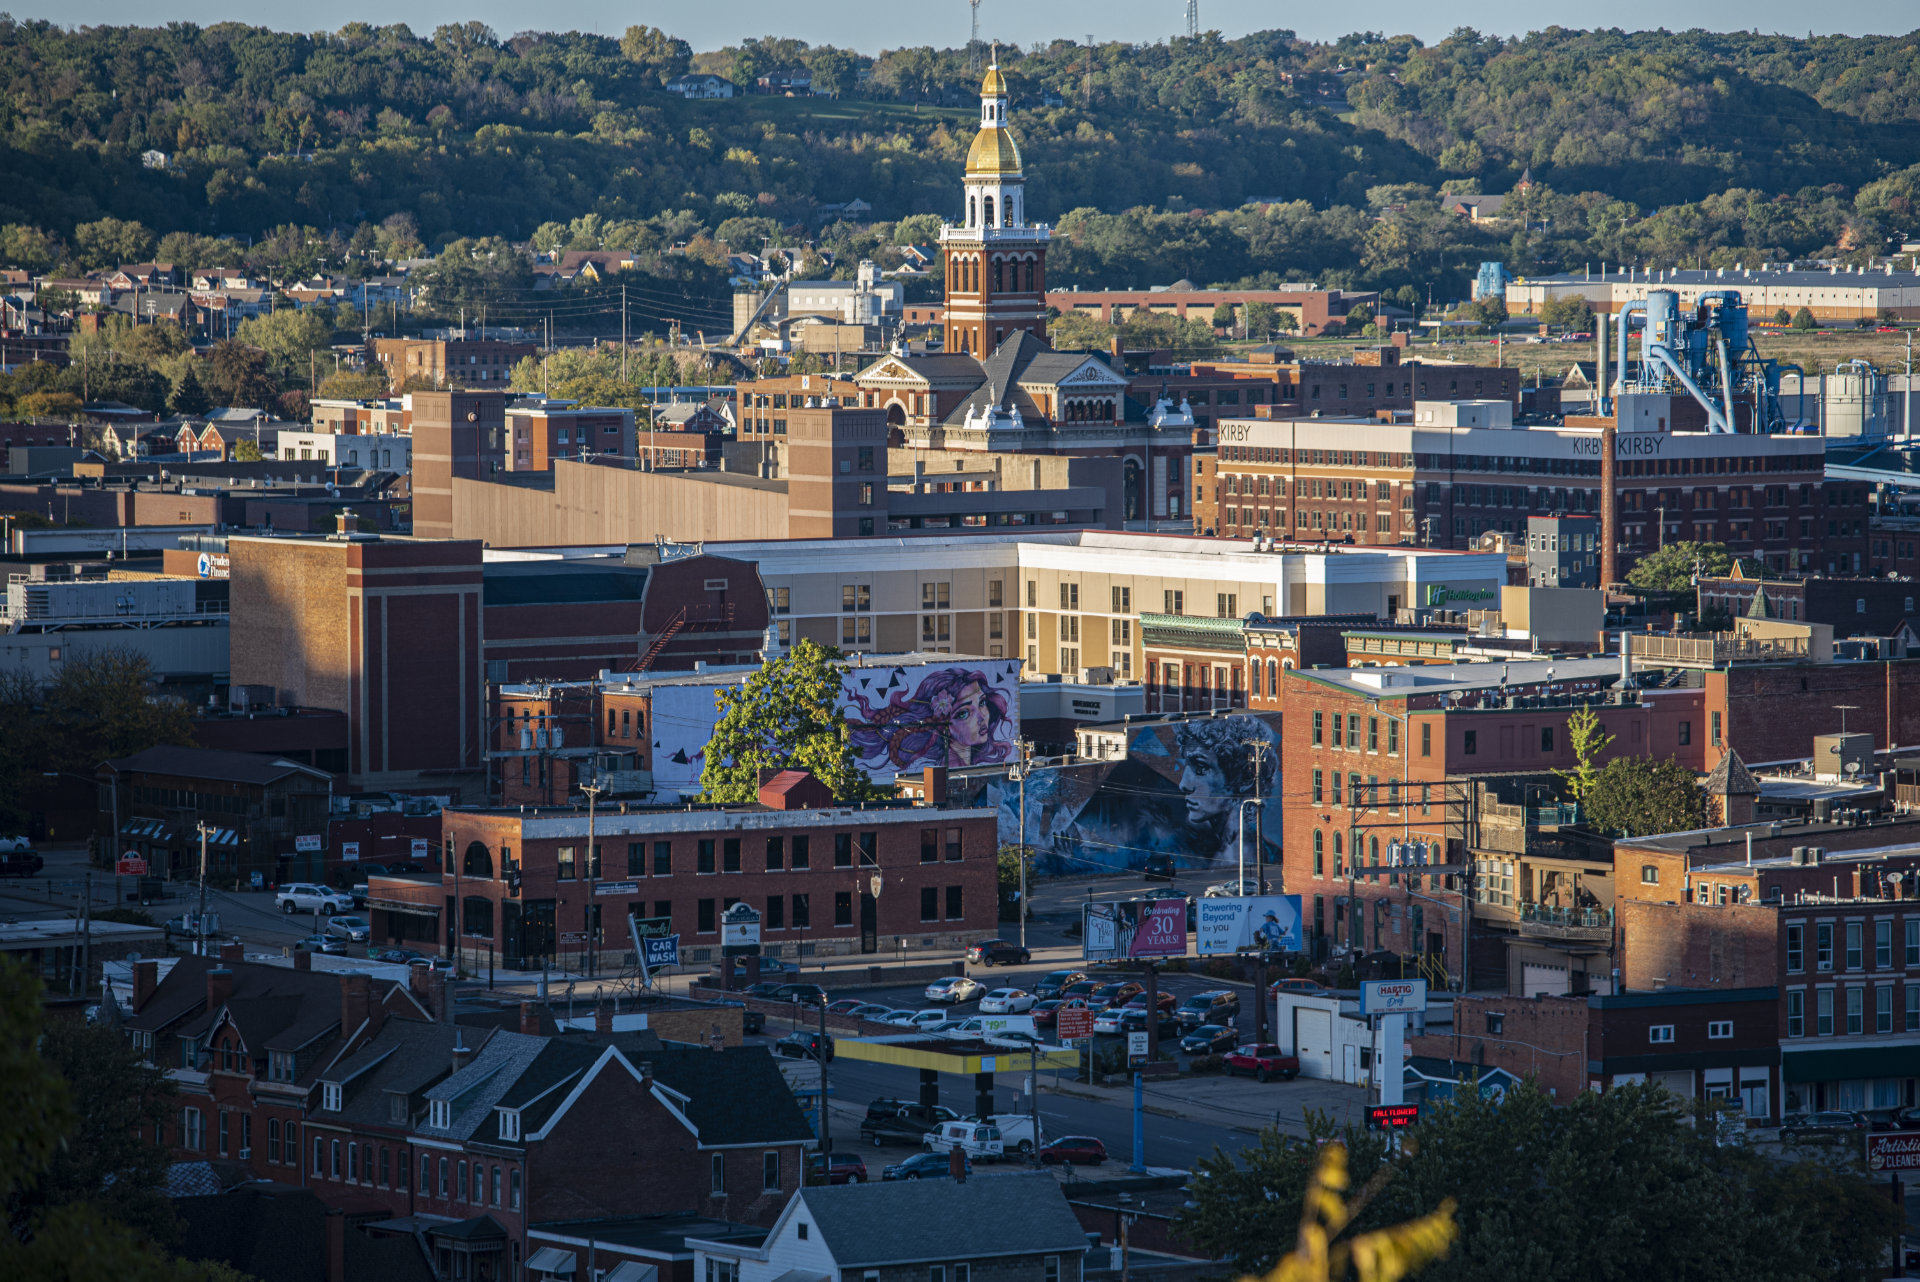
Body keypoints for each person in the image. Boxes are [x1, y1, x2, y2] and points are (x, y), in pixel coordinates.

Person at [847, 666, 1016, 770]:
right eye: (964, 713)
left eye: (982, 703)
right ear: (943, 724)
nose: (981, 717)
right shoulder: (951, 769)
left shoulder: (967, 763)